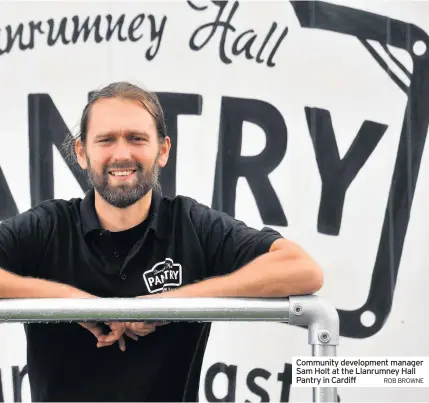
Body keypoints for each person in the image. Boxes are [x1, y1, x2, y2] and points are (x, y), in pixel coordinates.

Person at [0, 81, 323, 402]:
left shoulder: (190, 224)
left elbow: (303, 270)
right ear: (82, 153)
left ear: (163, 150)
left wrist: (174, 304)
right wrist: (70, 303)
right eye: (106, 140)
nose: (122, 154)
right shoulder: (49, 227)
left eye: (137, 138)